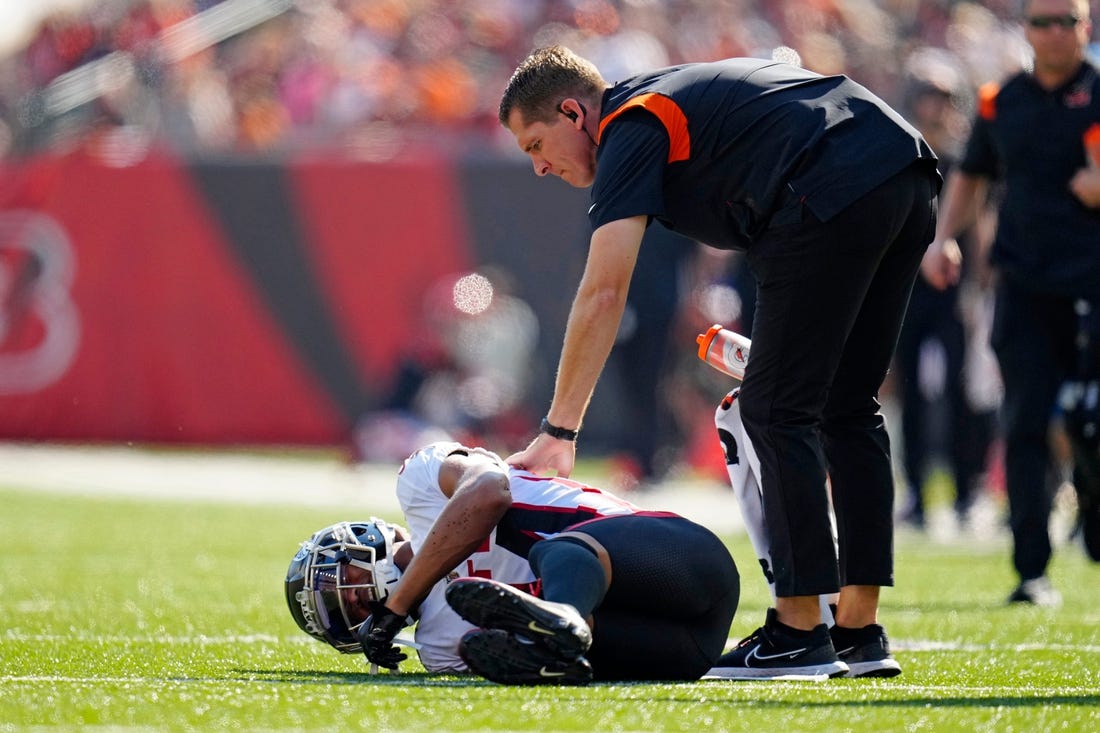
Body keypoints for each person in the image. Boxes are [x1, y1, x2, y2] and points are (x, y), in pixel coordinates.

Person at [499, 45, 939, 679]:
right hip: (904, 167)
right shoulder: (663, 102)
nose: (539, 167)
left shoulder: (629, 122)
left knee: (772, 410)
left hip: (832, 180)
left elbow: (602, 291)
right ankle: (857, 631)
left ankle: (796, 633)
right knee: (847, 407)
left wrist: (559, 431)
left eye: (535, 145)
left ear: (573, 112)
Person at [285, 441, 741, 684]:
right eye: (341, 612)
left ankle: (564, 615)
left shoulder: (421, 483)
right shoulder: (441, 649)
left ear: (359, 543)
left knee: (552, 552)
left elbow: (489, 495)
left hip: (684, 562)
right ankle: (561, 638)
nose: (354, 598)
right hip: (682, 652)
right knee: (549, 646)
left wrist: (398, 602)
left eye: (341, 579)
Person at [922, 0, 1100, 607]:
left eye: (1065, 22)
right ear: (1026, 30)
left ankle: (1093, 519)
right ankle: (1031, 568)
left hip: (1093, 280)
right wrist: (944, 236)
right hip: (1023, 282)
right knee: (1023, 420)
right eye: (1042, 22)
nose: (1053, 34)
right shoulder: (1002, 100)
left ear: (1086, 27)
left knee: (1089, 420)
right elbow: (972, 174)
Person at [892, 49, 1000, 531]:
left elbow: (978, 225)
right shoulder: (899, 151)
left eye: (942, 93)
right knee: (909, 393)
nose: (934, 103)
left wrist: (979, 289)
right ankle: (915, 491)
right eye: (927, 93)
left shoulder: (962, 155)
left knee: (961, 392)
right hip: (905, 289)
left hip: (951, 290)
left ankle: (966, 490)